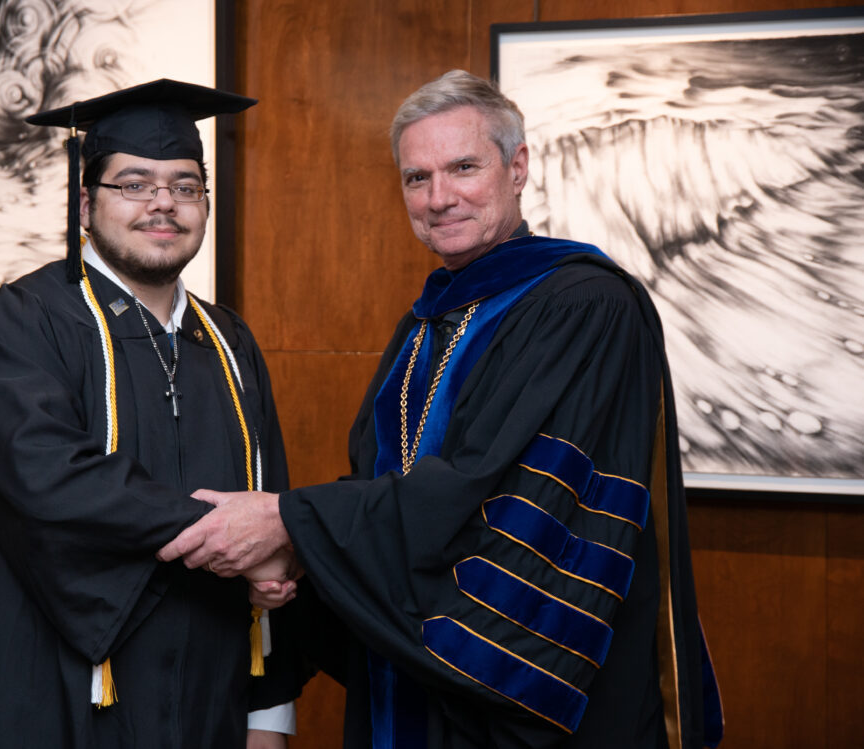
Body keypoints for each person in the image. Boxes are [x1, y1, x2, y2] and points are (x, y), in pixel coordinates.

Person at [158, 70, 724, 748]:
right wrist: (301, 561)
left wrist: (291, 524)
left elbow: (489, 497)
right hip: (419, 687)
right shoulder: (428, 321)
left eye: (463, 167)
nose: (439, 197)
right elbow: (390, 492)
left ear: (517, 168)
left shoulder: (585, 306)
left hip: (524, 701)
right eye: (416, 177)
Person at [0, 79, 302, 748]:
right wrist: (236, 537)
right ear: (85, 202)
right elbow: (51, 479)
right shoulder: (20, 322)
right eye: (133, 183)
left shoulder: (230, 342)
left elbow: (269, 510)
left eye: (185, 185)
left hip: (209, 701)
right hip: (54, 699)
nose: (162, 203)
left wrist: (267, 715)